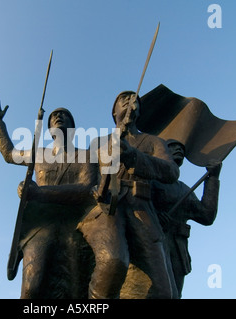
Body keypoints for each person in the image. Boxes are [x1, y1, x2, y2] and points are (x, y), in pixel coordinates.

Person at [0, 96, 97, 298]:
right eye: (54, 115)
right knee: (32, 287)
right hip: (41, 225)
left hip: (75, 225)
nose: (58, 117)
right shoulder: (39, 154)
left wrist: (39, 192)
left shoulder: (87, 155)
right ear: (48, 129)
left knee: (75, 289)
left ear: (73, 128)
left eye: (64, 115)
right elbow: (9, 154)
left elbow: (86, 189)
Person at [78, 91, 180, 298]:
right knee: (113, 262)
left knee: (163, 290)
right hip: (108, 208)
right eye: (123, 99)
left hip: (142, 208)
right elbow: (87, 181)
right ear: (114, 111)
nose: (129, 101)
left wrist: (134, 156)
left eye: (134, 100)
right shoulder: (98, 142)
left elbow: (171, 172)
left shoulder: (153, 142)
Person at [151, 139, 222, 297]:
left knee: (174, 294)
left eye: (181, 148)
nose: (179, 149)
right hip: (154, 243)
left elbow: (207, 216)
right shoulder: (151, 182)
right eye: (172, 147)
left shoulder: (184, 190)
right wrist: (155, 216)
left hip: (177, 248)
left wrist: (213, 178)